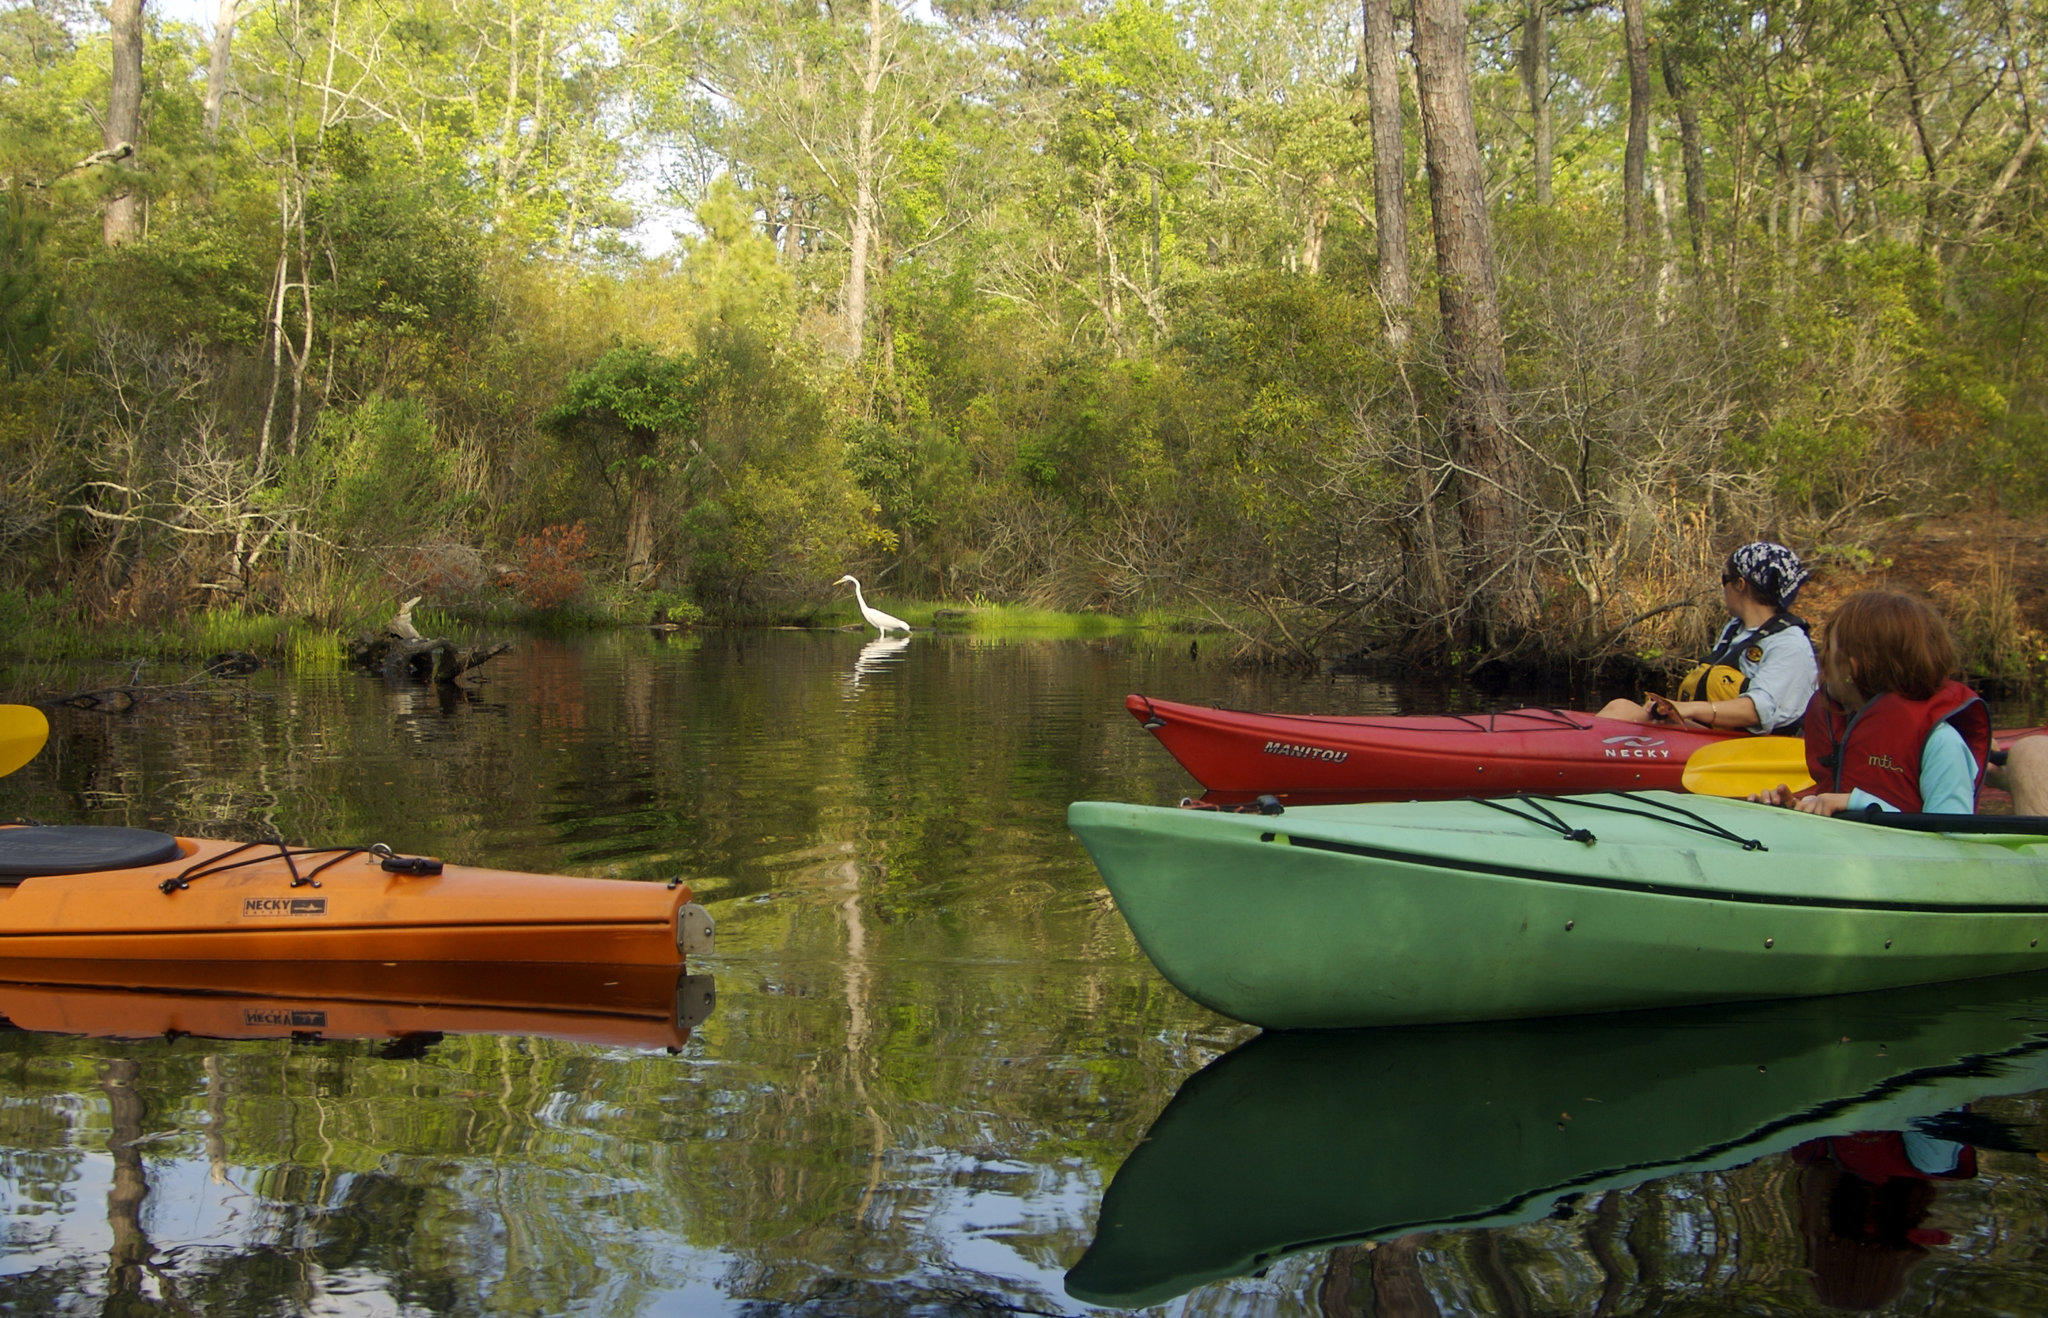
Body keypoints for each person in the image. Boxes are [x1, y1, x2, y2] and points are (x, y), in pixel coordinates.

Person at [1752, 590, 1990, 817]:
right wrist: (1800, 808)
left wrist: (1856, 804)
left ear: (1852, 667)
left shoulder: (1941, 743)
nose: (1821, 659)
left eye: (1828, 649)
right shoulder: (1843, 721)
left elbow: (1953, 840)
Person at [1599, 541, 1817, 735]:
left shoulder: (1789, 644)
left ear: (1740, 584)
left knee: (1623, 712)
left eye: (1725, 579)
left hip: (1757, 750)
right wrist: (1669, 709)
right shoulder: (1735, 629)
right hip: (1718, 737)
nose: (1724, 588)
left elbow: (1758, 710)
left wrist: (1689, 708)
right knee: (1621, 708)